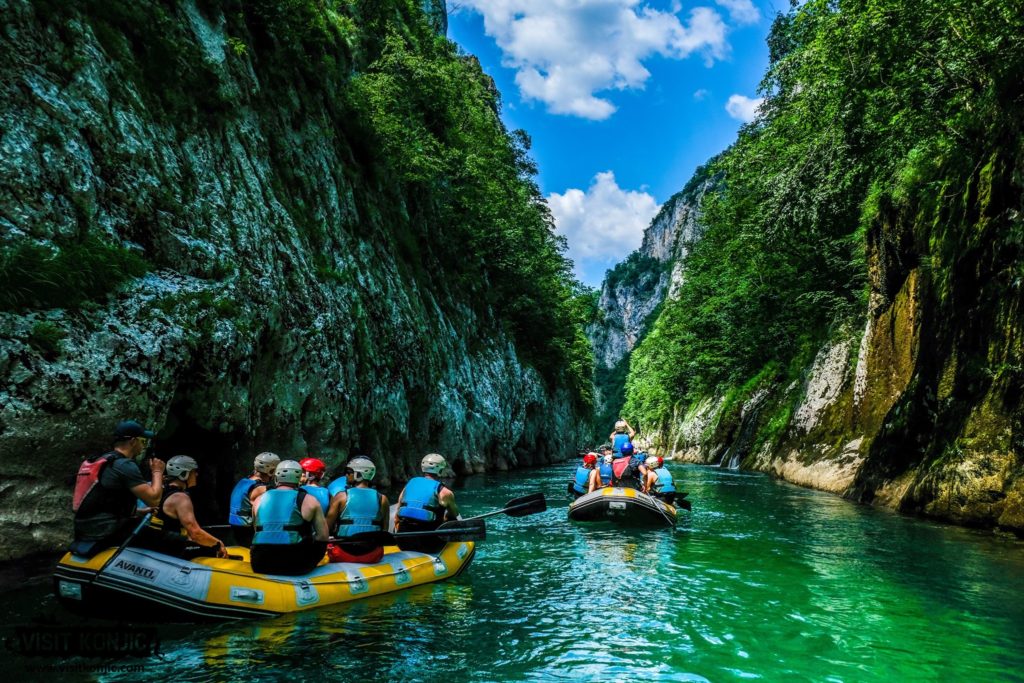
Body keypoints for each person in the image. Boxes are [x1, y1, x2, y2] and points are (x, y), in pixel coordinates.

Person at [71, 420, 165, 556]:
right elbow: (154, 499)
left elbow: (102, 502)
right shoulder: (125, 465)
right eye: (143, 441)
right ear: (133, 441)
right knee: (175, 541)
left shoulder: (102, 460)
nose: (144, 446)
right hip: (107, 532)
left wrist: (138, 511)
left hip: (84, 530)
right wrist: (157, 472)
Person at [132, 456, 228, 559]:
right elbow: (195, 533)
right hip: (168, 549)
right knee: (213, 551)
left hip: (154, 543)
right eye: (193, 471)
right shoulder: (181, 498)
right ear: (184, 474)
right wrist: (218, 543)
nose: (196, 474)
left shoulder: (159, 490)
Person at [250, 460, 329, 576]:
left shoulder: (258, 500)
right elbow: (323, 536)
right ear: (298, 478)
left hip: (260, 563)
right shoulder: (309, 500)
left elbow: (256, 530)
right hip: (295, 564)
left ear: (276, 477)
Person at [326, 457, 390, 564]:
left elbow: (326, 527)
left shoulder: (341, 497)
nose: (346, 475)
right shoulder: (382, 499)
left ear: (358, 474)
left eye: (348, 472)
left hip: (343, 554)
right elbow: (385, 530)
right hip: (371, 555)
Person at [394, 453, 459, 554]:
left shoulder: (410, 484)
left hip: (403, 541)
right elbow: (455, 514)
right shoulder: (445, 492)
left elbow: (397, 513)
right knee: (451, 518)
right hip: (428, 545)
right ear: (440, 470)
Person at [228, 452, 280, 547]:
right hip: (248, 532)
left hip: (237, 529)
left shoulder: (244, 481)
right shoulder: (260, 488)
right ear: (271, 470)